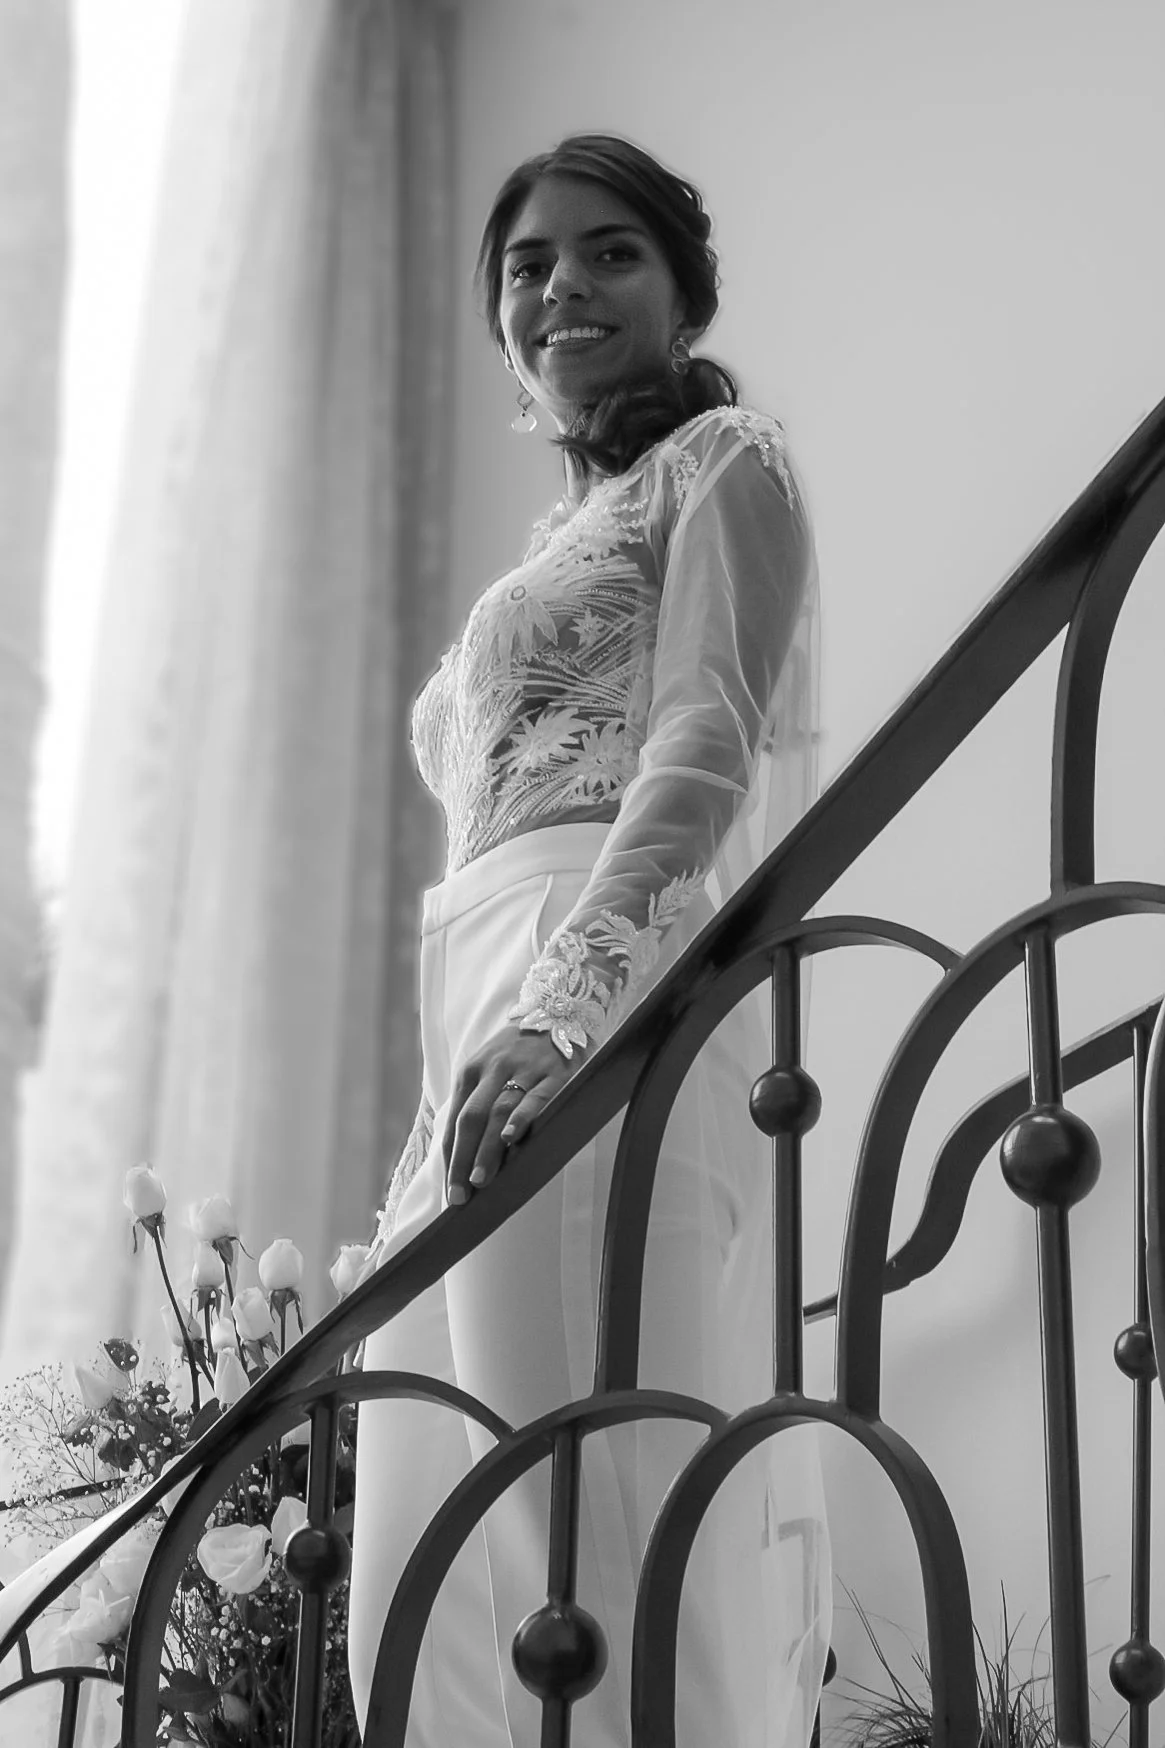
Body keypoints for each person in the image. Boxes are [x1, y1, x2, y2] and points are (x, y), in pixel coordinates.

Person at [347, 133, 831, 1747]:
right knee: (420, 1541)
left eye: (610, 250)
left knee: (594, 1510)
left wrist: (568, 1007)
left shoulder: (725, 463)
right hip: (481, 982)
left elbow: (700, 748)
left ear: (684, 291)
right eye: (529, 263)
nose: (563, 283)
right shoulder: (556, 541)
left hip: (597, 956)